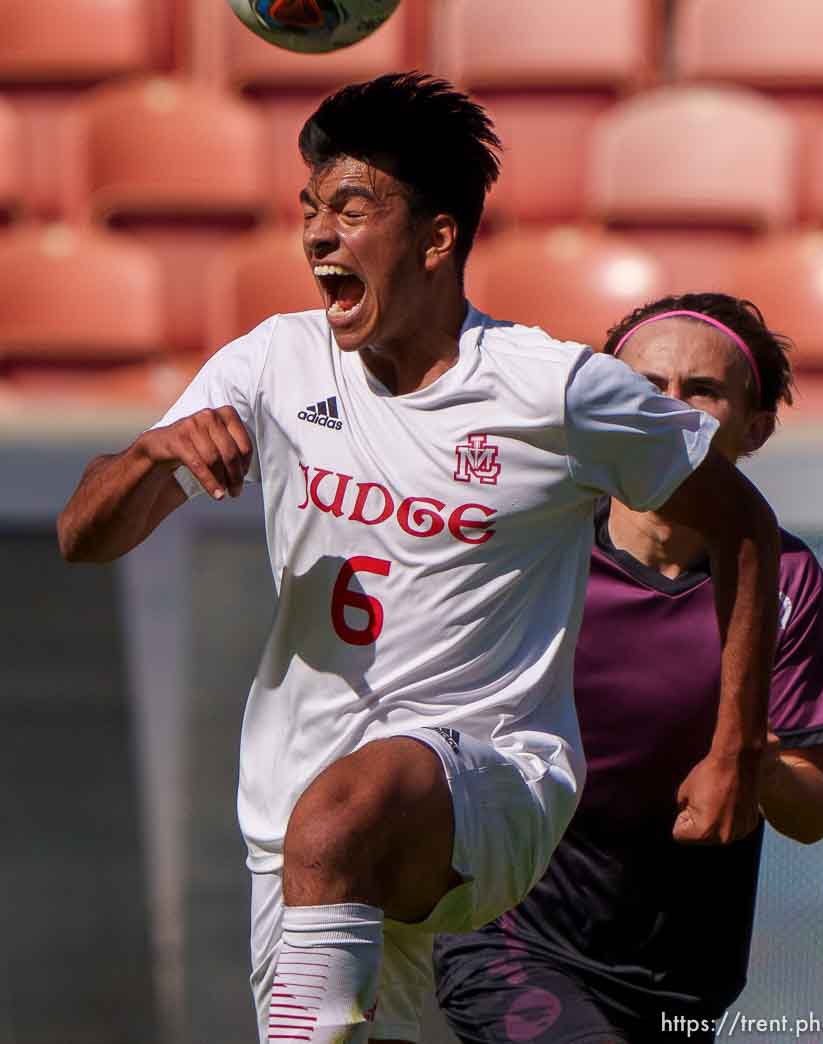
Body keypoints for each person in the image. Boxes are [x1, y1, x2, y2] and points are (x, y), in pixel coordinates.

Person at [57, 76, 781, 1044]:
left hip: (496, 777)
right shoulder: (272, 361)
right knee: (332, 860)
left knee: (346, 807)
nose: (317, 235)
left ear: (437, 238)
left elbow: (744, 527)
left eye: (351, 209)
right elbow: (82, 537)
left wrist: (732, 749)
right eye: (309, 209)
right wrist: (151, 453)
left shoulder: (556, 390)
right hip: (298, 821)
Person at [434, 293, 823, 1044]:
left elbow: (812, 812)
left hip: (685, 985)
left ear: (754, 429)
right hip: (513, 941)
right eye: (645, 387)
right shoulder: (535, 546)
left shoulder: (784, 577)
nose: (669, 409)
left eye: (702, 391)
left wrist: (740, 749)